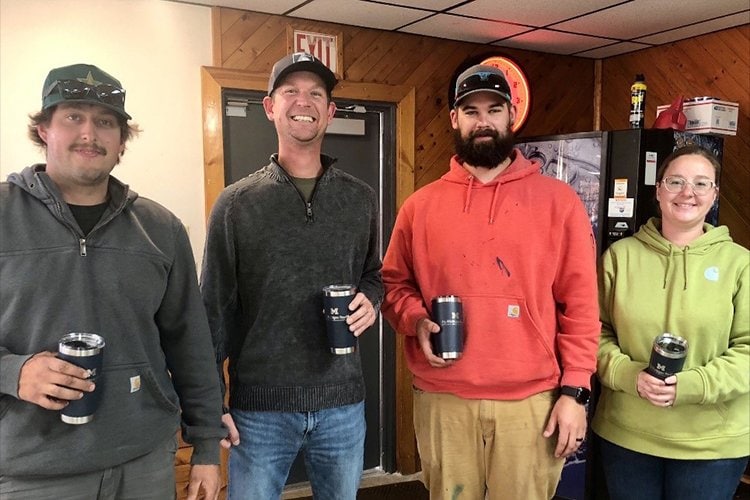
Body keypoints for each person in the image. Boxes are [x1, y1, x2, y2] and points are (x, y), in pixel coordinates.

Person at [0, 63, 225, 500]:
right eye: (73, 117)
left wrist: (206, 447)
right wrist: (14, 371)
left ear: (122, 142)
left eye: (105, 121)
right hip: (31, 472)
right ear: (44, 129)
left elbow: (191, 344)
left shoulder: (161, 229)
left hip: (144, 462)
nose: (90, 133)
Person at [381, 64, 601, 499]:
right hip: (443, 399)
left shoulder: (559, 202)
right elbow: (393, 286)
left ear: (511, 114)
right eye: (471, 111)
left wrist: (575, 393)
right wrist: (415, 320)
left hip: (531, 401)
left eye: (494, 109)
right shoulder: (420, 207)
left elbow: (580, 305)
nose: (483, 121)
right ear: (454, 120)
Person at [200, 52, 383, 499]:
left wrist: (371, 301)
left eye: (316, 94)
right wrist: (209, 406)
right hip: (259, 410)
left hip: (342, 404)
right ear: (270, 107)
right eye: (291, 92)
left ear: (331, 111)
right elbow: (214, 311)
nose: (305, 102)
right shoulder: (237, 203)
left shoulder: (360, 199)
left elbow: (375, 275)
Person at [592, 145, 749, 500]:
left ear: (715, 194)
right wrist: (630, 375)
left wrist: (692, 385)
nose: (687, 193)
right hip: (626, 435)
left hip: (713, 446)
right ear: (658, 190)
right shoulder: (620, 257)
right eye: (675, 181)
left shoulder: (741, 264)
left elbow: (748, 352)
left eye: (700, 183)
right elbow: (593, 333)